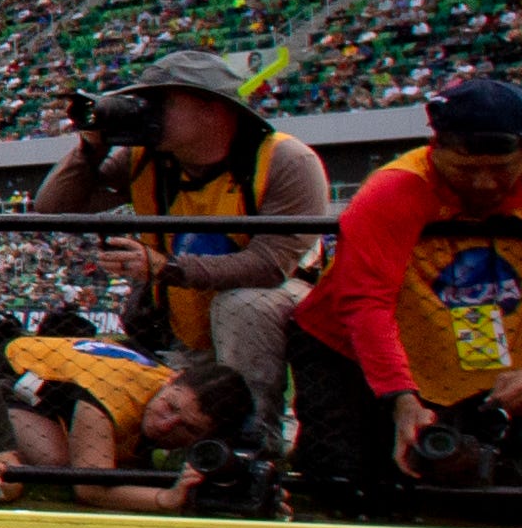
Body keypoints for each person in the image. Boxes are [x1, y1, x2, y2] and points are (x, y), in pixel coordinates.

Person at [287, 76, 522, 510]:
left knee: (519, 501)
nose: (483, 184)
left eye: (500, 169)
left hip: (460, 346)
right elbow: (365, 302)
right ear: (434, 149)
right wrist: (401, 400)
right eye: (466, 168)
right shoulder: (393, 189)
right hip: (345, 349)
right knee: (353, 492)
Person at [33, 47, 324, 427]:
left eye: (160, 103)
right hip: (184, 310)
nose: (146, 111)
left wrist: (166, 267)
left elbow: (270, 266)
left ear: (212, 107)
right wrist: (91, 148)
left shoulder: (285, 160)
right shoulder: (146, 159)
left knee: (241, 305)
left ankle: (254, 436)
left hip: (278, 303)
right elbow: (53, 208)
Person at [0, 331, 258, 511]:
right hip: (6, 375)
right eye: (169, 407)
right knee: (57, 461)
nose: (165, 425)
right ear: (172, 378)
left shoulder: (170, 387)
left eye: (187, 428)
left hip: (60, 381)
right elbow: (89, 489)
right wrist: (164, 500)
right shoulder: (113, 395)